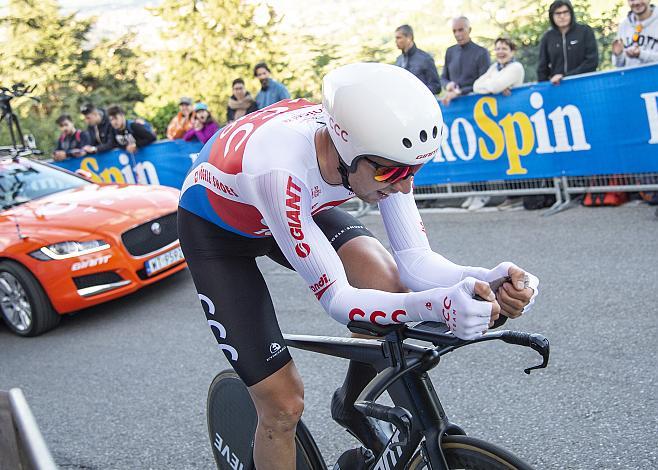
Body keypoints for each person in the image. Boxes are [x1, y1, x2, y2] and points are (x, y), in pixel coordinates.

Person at [177, 62, 539, 469]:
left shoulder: (379, 150)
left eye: (414, 171)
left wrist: (481, 278)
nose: (403, 185)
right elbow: (338, 299)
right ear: (346, 150)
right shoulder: (281, 168)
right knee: (282, 405)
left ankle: (349, 405)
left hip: (299, 206)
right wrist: (439, 306)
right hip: (218, 235)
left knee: (385, 279)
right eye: (391, 171)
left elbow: (416, 262)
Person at [473, 38, 526, 211]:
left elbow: (494, 87)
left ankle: (518, 196)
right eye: (498, 49)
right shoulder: (494, 68)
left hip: (515, 117)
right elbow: (476, 85)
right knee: (505, 155)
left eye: (504, 48)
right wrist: (494, 85)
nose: (501, 51)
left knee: (516, 154)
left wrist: (494, 85)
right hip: (498, 119)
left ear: (512, 51)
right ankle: (511, 195)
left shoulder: (515, 67)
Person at [537, 0, 599, 85]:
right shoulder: (547, 37)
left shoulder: (585, 31)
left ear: (571, 13)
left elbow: (592, 62)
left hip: (584, 84)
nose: (562, 16)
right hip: (558, 87)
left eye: (565, 12)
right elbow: (542, 68)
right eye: (558, 13)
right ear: (552, 16)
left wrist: (565, 77)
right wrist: (545, 87)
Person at [440, 16, 490, 106]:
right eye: (454, 31)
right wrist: (448, 85)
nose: (457, 34)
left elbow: (484, 83)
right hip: (453, 105)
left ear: (469, 30)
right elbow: (443, 78)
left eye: (461, 30)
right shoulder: (450, 51)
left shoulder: (481, 52)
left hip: (475, 105)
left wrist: (460, 92)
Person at [394, 24, 441, 94]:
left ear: (409, 37)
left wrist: (417, 93)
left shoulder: (425, 59)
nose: (396, 41)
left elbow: (436, 87)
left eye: (399, 38)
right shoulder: (398, 61)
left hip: (422, 103)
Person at [612, 0, 658, 68]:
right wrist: (618, 55)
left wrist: (641, 54)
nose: (636, 2)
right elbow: (618, 64)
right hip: (630, 77)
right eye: (632, 0)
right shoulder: (624, 25)